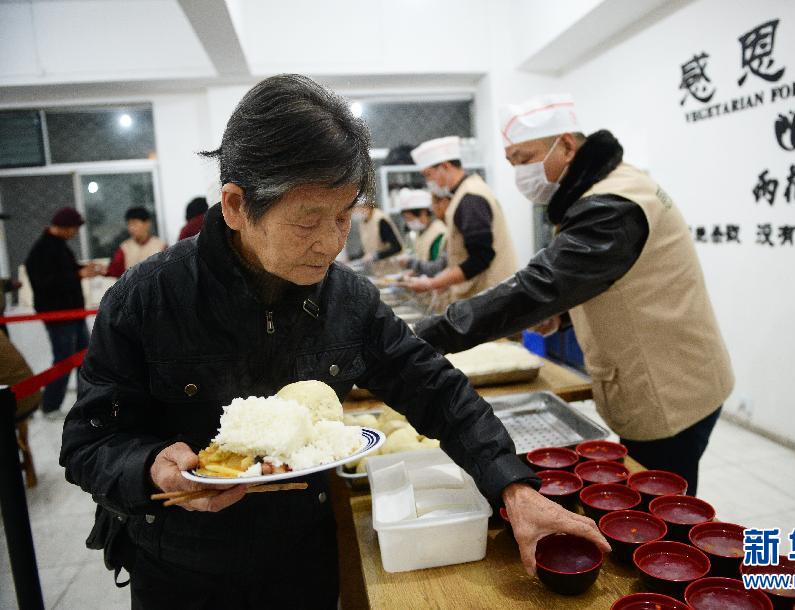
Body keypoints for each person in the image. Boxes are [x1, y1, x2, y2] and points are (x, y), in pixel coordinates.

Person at [59, 75, 609, 609]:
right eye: (307, 220)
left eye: (345, 217)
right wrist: (151, 464)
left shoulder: (348, 299)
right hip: (181, 569)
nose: (329, 243)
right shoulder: (147, 298)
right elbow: (89, 443)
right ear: (235, 205)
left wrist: (514, 490)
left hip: (304, 560)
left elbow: (436, 390)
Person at [415, 94, 734, 496]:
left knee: (662, 508)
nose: (520, 172)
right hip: (674, 372)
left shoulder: (612, 204)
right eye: (512, 162)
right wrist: (562, 316)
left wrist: (424, 338)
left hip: (672, 388)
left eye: (524, 157)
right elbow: (614, 278)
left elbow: (539, 286)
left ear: (566, 145)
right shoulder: (603, 189)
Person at [403, 136, 517, 303]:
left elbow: (481, 258)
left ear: (445, 166)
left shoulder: (470, 198)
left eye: (428, 175)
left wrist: (432, 283)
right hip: (484, 297)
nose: (429, 182)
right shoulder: (465, 192)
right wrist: (444, 280)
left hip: (490, 297)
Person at [25, 207, 99, 418]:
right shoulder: (43, 249)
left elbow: (63, 271)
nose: (75, 233)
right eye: (75, 228)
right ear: (66, 227)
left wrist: (81, 270)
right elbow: (46, 282)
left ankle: (86, 403)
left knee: (85, 359)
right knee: (64, 360)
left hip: (72, 314)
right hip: (59, 316)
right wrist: (78, 275)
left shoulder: (58, 246)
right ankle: (50, 405)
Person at [105, 207, 166, 278]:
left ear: (147, 224)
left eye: (135, 223)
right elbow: (114, 270)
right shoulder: (125, 248)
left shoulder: (160, 246)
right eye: (129, 224)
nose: (131, 228)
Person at [397, 188, 446, 264]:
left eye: (409, 218)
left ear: (423, 214)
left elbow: (436, 265)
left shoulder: (438, 233)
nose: (408, 222)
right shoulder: (421, 232)